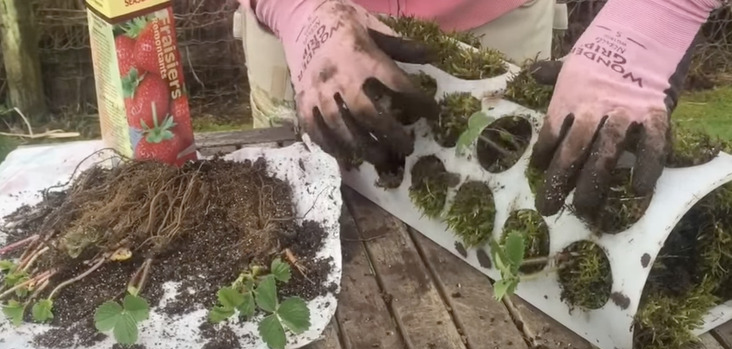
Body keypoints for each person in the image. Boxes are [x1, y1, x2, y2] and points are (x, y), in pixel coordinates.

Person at [233, 0, 728, 222]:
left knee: (524, 219)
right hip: (311, 39)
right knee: (300, 226)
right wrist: (295, 9)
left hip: (499, 23)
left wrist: (659, 11)